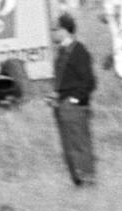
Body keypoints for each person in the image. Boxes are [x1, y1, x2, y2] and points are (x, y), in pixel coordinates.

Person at [49, 13, 97, 187]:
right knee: (68, 147)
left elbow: (89, 81)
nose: (52, 33)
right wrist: (56, 95)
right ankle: (78, 182)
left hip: (74, 107)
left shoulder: (79, 51)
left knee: (80, 145)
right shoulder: (62, 52)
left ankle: (88, 181)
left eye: (55, 29)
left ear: (64, 30)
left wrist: (75, 99)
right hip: (61, 106)